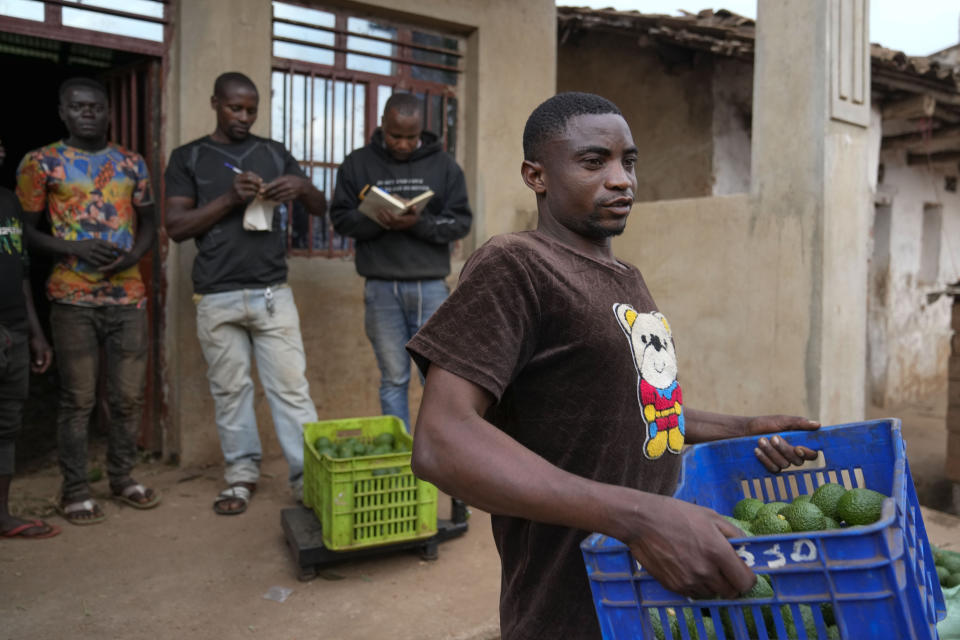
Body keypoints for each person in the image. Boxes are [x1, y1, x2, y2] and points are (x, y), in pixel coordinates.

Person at [406, 92, 821, 640]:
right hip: (571, 601)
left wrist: (740, 429)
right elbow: (443, 439)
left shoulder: (626, 277)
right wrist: (640, 516)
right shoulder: (517, 264)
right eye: (593, 160)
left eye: (628, 162)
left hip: (648, 590)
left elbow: (635, 407)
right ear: (537, 175)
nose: (622, 179)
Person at [164, 72, 326, 516]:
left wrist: (303, 188)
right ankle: (240, 476)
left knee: (291, 391)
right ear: (216, 102)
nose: (244, 116)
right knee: (230, 390)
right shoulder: (190, 157)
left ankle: (307, 479)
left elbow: (321, 206)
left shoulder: (273, 153)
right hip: (216, 296)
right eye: (235, 108)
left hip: (272, 292)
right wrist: (227, 201)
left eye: (251, 109)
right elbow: (175, 228)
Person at [17, 77, 160, 526]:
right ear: (63, 111)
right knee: (77, 399)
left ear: (108, 111)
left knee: (128, 398)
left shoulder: (131, 163)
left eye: (96, 107)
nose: (88, 113)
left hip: (128, 296)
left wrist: (133, 258)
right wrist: (72, 249)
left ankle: (122, 477)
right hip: (71, 296)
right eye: (78, 107)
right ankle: (75, 490)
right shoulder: (41, 163)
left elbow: (152, 223)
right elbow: (22, 230)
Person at [330, 93, 472, 431]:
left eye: (412, 136)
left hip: (431, 288)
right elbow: (339, 219)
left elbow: (461, 222)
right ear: (382, 125)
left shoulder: (444, 166)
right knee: (393, 378)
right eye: (396, 136)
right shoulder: (357, 163)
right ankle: (401, 460)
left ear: (421, 129)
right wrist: (378, 219)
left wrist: (418, 223)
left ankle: (439, 455)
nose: (405, 144)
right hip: (381, 288)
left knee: (436, 381)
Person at [0, 138, 58, 539]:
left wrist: (35, 333)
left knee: (6, 425)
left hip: (14, 331)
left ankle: (2, 517)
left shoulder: (8, 202)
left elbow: (20, 270)